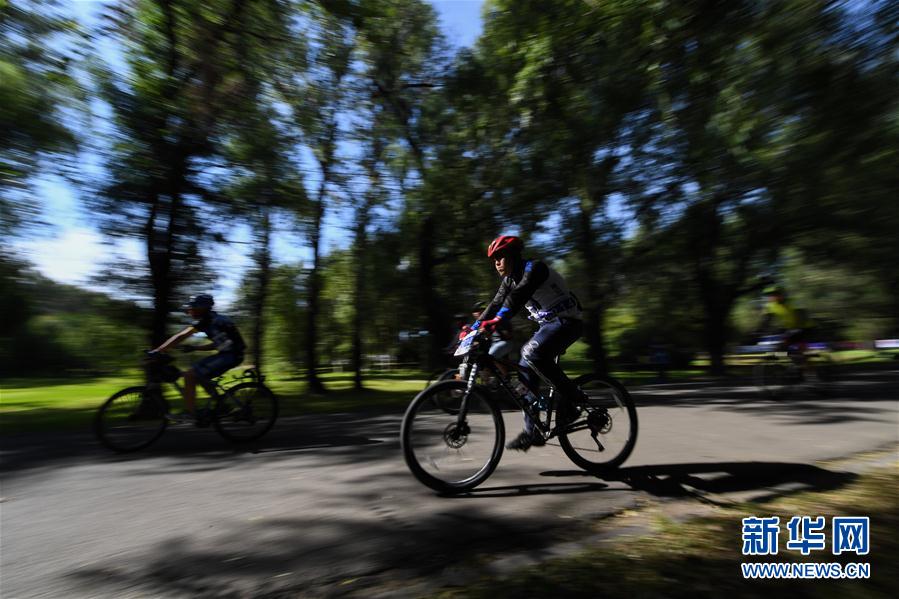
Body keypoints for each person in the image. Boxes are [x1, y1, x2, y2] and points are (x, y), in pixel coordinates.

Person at [471, 235, 584, 451]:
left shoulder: (535, 268)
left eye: (500, 256)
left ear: (514, 255)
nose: (496, 262)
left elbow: (516, 298)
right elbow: (495, 304)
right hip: (549, 326)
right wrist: (473, 328)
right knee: (524, 371)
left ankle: (574, 399)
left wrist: (497, 321)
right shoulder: (509, 280)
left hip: (568, 321)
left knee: (530, 353)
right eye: (494, 259)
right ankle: (533, 432)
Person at [149, 294, 246, 423]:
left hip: (232, 355)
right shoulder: (212, 320)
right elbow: (219, 344)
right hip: (228, 354)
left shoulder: (210, 321)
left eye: (193, 308)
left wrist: (158, 350)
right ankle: (222, 406)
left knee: (190, 375)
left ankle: (191, 413)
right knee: (197, 375)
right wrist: (195, 348)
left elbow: (181, 336)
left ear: (203, 308)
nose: (190, 311)